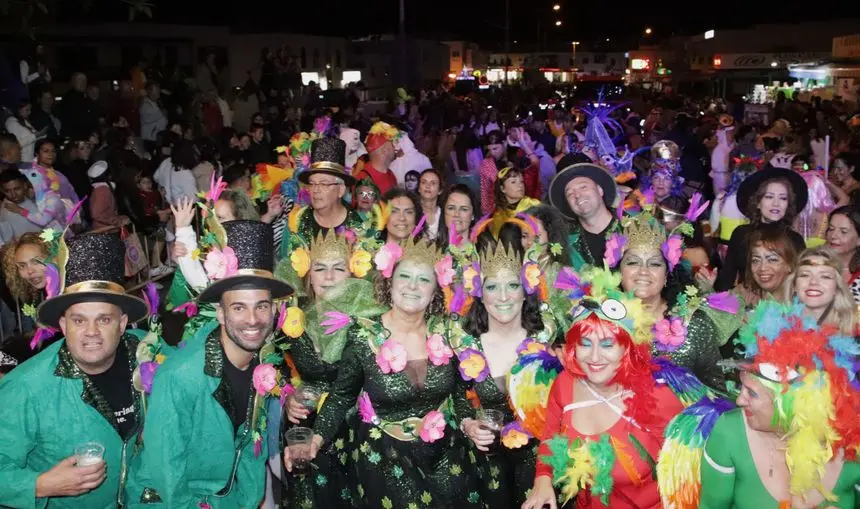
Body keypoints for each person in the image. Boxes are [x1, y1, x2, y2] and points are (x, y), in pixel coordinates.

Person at [285, 237, 481, 508]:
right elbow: (342, 396)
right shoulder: (364, 335)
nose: (413, 286)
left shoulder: (449, 332)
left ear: (436, 288)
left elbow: (459, 396)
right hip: (386, 459)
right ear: (389, 282)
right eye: (405, 276)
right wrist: (315, 439)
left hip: (446, 455)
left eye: (424, 279)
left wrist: (469, 423)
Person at [127, 220, 294, 508]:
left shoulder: (264, 364)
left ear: (275, 310)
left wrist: (249, 499)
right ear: (219, 313)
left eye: (262, 306)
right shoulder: (180, 376)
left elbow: (252, 445)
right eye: (238, 307)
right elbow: (166, 469)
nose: (253, 320)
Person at [523, 265, 708, 509]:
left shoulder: (658, 395)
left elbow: (695, 470)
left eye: (608, 344)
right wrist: (543, 479)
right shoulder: (565, 384)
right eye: (585, 343)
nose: (595, 357)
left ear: (628, 348)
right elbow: (549, 438)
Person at [0, 231, 158, 509]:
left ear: (122, 324)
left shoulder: (148, 355)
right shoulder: (25, 388)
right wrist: (42, 485)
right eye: (79, 320)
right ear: (63, 325)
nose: (91, 333)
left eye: (104, 319)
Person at [700, 300, 860, 508]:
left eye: (752, 393)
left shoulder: (851, 446)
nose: (739, 400)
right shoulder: (730, 432)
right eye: (742, 387)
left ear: (792, 402)